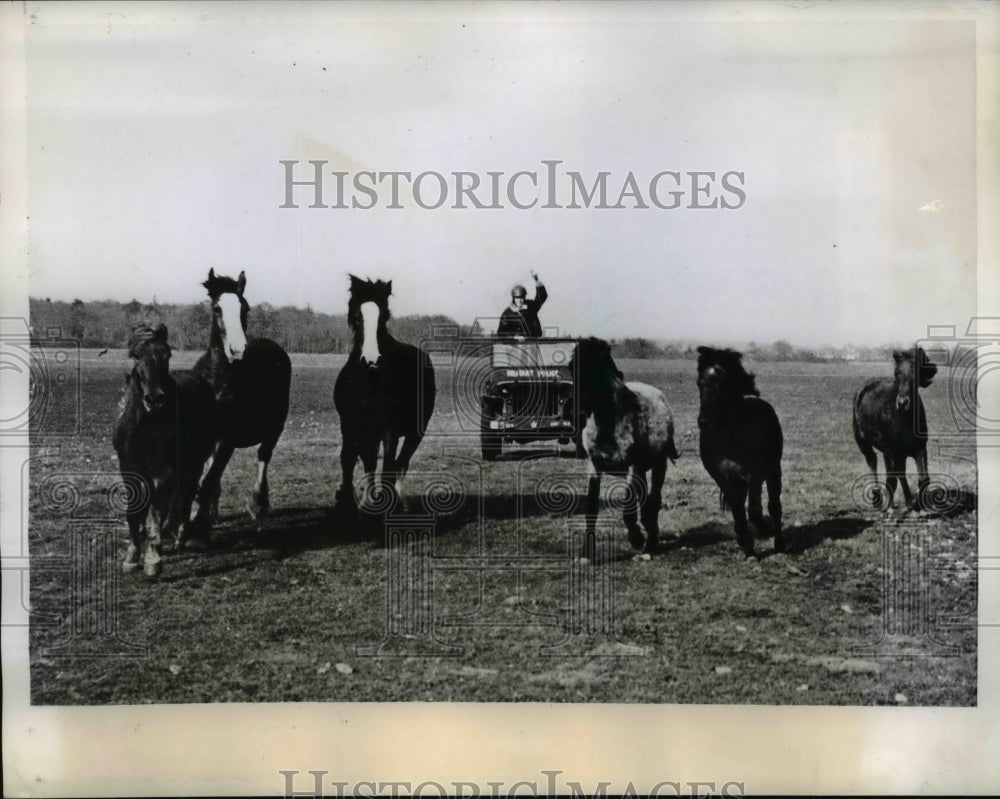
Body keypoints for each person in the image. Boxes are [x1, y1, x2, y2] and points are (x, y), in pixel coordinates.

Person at [497, 271, 547, 338]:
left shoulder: (531, 307)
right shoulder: (507, 314)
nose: (520, 300)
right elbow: (501, 334)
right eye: (517, 298)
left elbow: (542, 297)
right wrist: (515, 337)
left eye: (522, 298)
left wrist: (537, 281)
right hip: (516, 346)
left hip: (534, 342)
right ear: (513, 298)